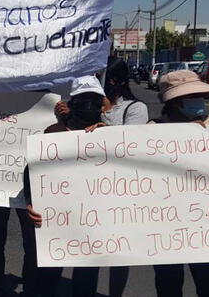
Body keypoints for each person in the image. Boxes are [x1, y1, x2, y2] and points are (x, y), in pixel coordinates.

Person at [56, 58, 149, 297]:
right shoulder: (85, 103)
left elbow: (131, 147)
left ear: (114, 81)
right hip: (85, 191)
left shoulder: (134, 108)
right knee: (87, 254)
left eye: (101, 77)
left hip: (118, 192)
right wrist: (67, 117)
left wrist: (102, 122)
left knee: (119, 254)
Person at [152, 70, 209, 297]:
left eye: (198, 96)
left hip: (206, 218)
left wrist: (203, 157)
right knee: (168, 283)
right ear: (173, 103)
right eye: (189, 98)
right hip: (166, 221)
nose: (197, 102)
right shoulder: (153, 129)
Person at [26, 75, 108, 297]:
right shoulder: (53, 133)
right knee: (47, 281)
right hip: (57, 224)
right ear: (72, 104)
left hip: (93, 225)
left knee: (86, 282)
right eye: (83, 101)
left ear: (102, 104)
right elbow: (31, 173)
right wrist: (31, 203)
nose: (89, 106)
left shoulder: (112, 136)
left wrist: (108, 135)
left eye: (94, 101)